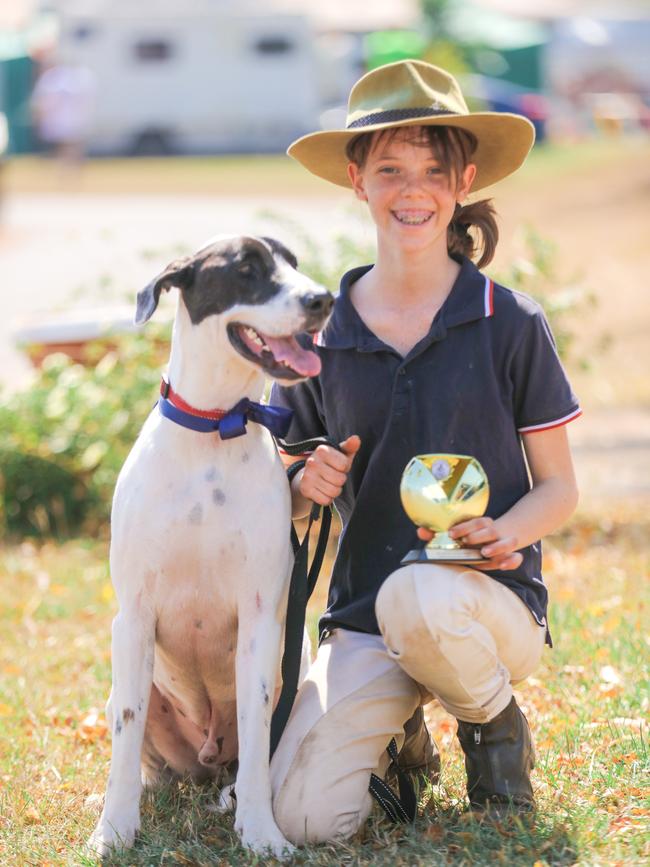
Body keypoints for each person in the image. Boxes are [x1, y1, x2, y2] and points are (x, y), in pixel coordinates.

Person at [268, 60, 581, 844]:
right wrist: (305, 480)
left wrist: (507, 532)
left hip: (488, 605)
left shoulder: (509, 320)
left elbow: (560, 488)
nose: (413, 191)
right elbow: (281, 483)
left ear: (464, 179)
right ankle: (402, 740)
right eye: (390, 170)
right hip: (367, 616)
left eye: (434, 171)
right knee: (303, 817)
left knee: (422, 594)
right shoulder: (321, 333)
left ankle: (495, 731)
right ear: (357, 180)